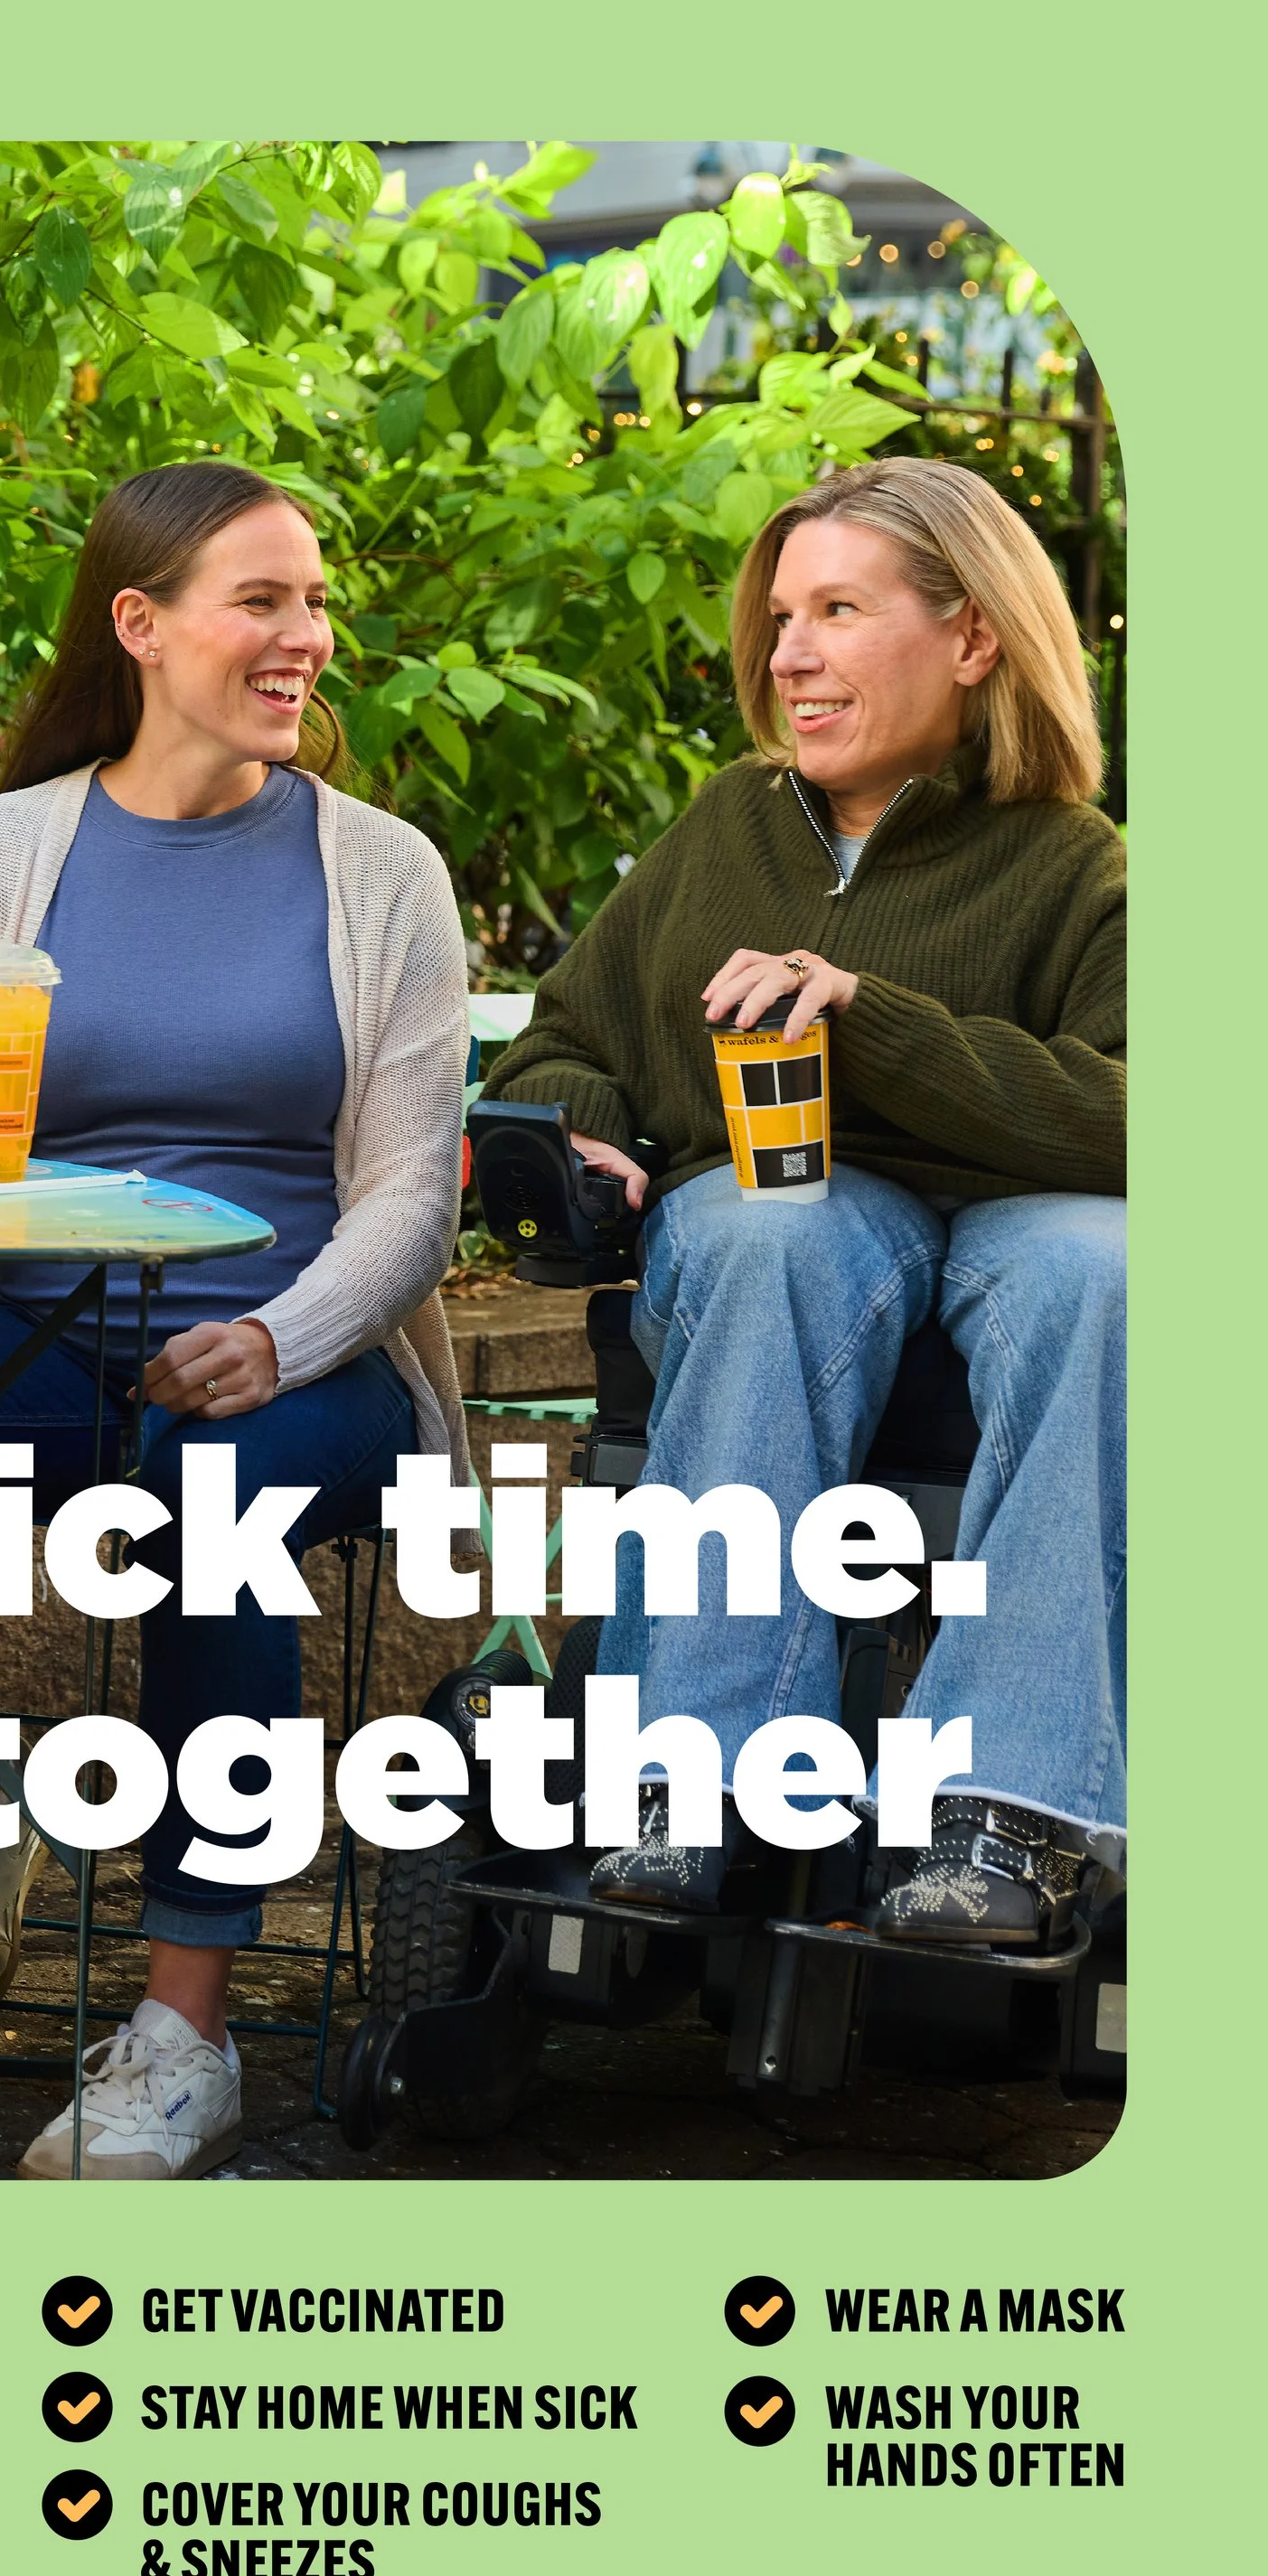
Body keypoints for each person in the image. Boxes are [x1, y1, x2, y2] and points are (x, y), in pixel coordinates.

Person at [0, 462, 471, 2178]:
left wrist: (283, 1339)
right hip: (48, 1335)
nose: (305, 638)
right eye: (261, 602)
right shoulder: (12, 846)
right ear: (141, 629)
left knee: (213, 1496)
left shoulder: (383, 874)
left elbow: (413, 1202)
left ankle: (183, 2035)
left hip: (307, 1357)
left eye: (312, 601)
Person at [489, 456, 1123, 1945]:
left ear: (973, 638)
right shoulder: (728, 832)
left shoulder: (1073, 868)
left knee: (1104, 1267)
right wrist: (595, 1142)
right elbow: (559, 1045)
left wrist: (872, 1023)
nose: (789, 655)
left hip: (1021, 1228)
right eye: (784, 616)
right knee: (780, 1229)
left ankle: (1007, 1817)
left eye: (839, 609)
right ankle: (701, 1780)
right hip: (782, 1223)